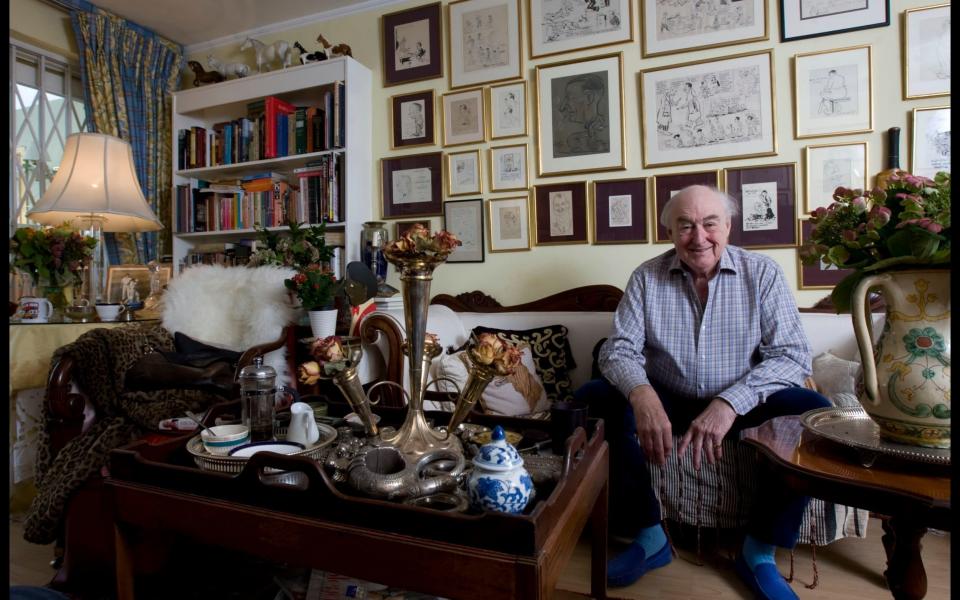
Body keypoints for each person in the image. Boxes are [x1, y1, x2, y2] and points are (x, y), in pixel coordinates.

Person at [574, 185, 830, 599]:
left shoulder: (761, 273)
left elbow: (791, 356)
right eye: (686, 225)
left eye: (710, 223)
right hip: (667, 395)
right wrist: (642, 395)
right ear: (671, 232)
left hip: (742, 399)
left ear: (727, 227)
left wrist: (730, 403)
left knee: (814, 411)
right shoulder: (646, 277)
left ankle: (758, 551)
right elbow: (618, 350)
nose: (699, 237)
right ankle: (649, 535)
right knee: (592, 399)